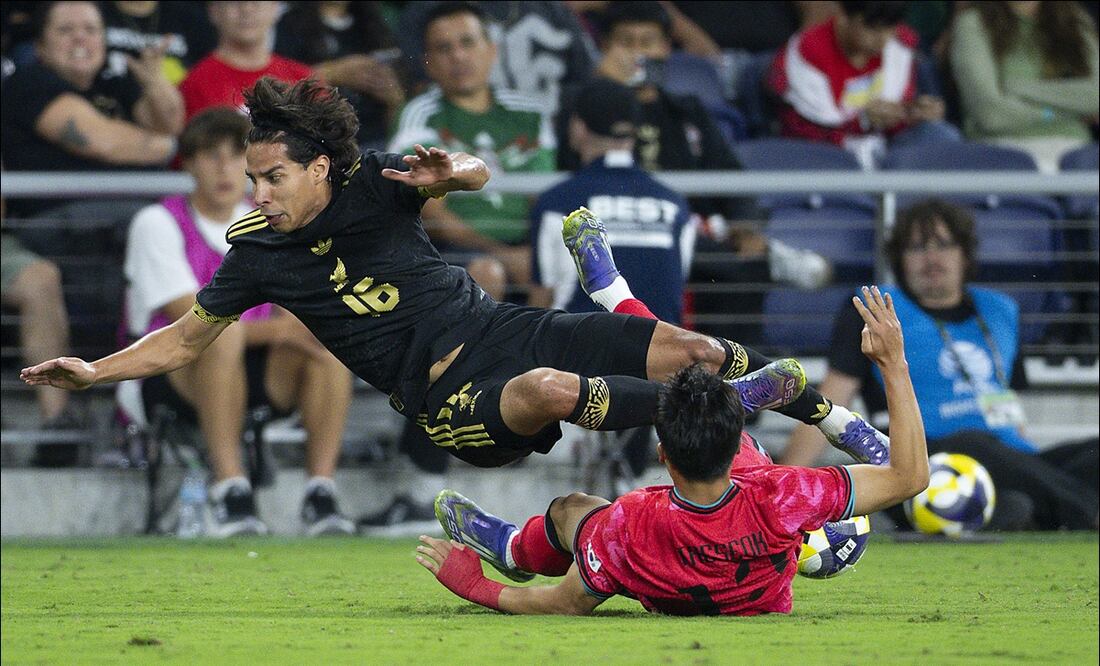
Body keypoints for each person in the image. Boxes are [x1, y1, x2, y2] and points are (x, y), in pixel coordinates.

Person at [22, 76, 888, 483]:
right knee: (556, 388)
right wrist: (95, 370)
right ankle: (733, 408)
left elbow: (468, 174)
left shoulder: (373, 184)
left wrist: (457, 170)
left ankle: (833, 419)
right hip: (451, 400)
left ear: (320, 167)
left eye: (270, 178)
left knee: (694, 345)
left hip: (506, 325)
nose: (255, 195)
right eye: (251, 179)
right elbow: (182, 339)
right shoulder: (255, 254)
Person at [415, 286, 928, 616]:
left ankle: (513, 550)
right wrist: (892, 363)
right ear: (736, 450)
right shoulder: (781, 495)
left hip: (654, 552)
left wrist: (473, 585)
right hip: (754, 543)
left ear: (662, 455)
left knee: (572, 509)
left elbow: (562, 603)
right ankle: (732, 395)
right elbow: (910, 476)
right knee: (694, 383)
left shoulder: (630, 522)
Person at [782, 199, 1099, 530]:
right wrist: (785, 481)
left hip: (1010, 458)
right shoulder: (875, 310)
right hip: (921, 463)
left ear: (965, 254)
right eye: (917, 248)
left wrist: (1024, 462)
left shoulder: (1001, 310)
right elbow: (831, 401)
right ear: (900, 260)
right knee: (973, 444)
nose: (931, 258)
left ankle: (1017, 509)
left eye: (943, 245)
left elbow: (1006, 400)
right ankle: (1084, 514)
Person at [122, 108, 356, 536]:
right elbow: (190, 325)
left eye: (236, 157)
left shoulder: (272, 219)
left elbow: (299, 309)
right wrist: (286, 329)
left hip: (252, 368)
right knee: (221, 335)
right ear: (188, 163)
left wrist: (303, 328)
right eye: (211, 155)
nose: (224, 168)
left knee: (327, 342)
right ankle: (230, 490)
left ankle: (320, 493)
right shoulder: (156, 222)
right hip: (167, 373)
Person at [560, 1, 833, 347]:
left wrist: (745, 227)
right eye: (625, 43)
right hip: (617, 228)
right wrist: (601, 90)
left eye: (648, 42)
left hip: (692, 238)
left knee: (746, 269)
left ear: (666, 48)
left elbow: (733, 181)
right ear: (605, 49)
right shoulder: (582, 109)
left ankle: (736, 382)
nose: (637, 54)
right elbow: (567, 169)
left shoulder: (687, 112)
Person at [388, 1, 557, 302]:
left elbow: (541, 195)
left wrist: (538, 254)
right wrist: (504, 256)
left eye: (467, 43)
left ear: (492, 50)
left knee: (559, 269)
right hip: (449, 249)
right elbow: (428, 208)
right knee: (487, 271)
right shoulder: (419, 113)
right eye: (444, 48)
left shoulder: (530, 113)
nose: (458, 56)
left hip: (524, 243)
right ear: (429, 61)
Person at [0, 0, 181, 218]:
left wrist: (155, 83)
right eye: (65, 30)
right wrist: (173, 147)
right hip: (61, 222)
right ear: (40, 46)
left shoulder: (114, 83)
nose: (80, 37)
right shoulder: (28, 84)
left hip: (130, 211)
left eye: (91, 29)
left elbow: (171, 125)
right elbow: (105, 143)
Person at [768, 0, 960, 169]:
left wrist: (913, 113)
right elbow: (800, 130)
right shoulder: (807, 52)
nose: (883, 38)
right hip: (824, 155)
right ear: (843, 16)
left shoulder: (900, 45)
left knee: (940, 134)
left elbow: (899, 118)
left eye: (891, 26)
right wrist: (863, 122)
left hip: (887, 149)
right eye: (873, 27)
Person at [949, 1, 1099, 174]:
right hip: (1003, 150)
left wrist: (1016, 88)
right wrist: (1066, 112)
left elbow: (1095, 94)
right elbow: (992, 115)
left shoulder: (1075, 20)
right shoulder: (973, 23)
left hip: (1078, 151)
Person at [274, 1, 406, 151]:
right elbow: (277, 86)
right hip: (317, 141)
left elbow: (397, 101)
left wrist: (393, 98)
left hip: (377, 139)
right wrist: (333, 73)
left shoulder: (375, 24)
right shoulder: (288, 25)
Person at [179, 1, 312, 121]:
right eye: (234, 2)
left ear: (275, 8)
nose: (246, 9)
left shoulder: (303, 79)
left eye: (257, 2)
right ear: (214, 10)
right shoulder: (194, 84)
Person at [100, 1, 217, 86]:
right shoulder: (94, 11)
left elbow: (209, 73)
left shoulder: (188, 16)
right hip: (108, 105)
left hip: (176, 106)